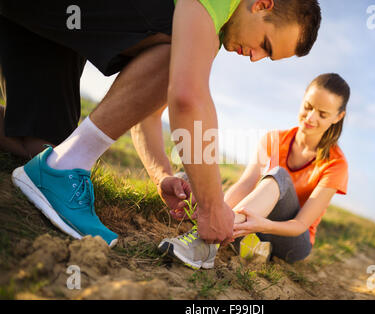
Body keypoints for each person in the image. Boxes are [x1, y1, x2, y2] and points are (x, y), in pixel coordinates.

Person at [3, 0, 321, 248]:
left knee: (38, 144)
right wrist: (211, 206)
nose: (255, 58)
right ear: (262, 4)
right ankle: (64, 168)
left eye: (266, 57)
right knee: (176, 48)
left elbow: (146, 110)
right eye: (266, 44)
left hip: (41, 20)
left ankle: (59, 162)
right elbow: (186, 98)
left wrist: (162, 176)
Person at [159, 73, 349, 268]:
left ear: (338, 117)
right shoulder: (273, 139)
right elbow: (246, 183)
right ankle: (235, 236)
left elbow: (300, 225)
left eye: (322, 114)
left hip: (292, 239)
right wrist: (217, 213)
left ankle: (206, 243)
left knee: (279, 175)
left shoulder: (336, 164)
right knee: (184, 181)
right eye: (308, 106)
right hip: (255, 222)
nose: (310, 117)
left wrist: (262, 225)